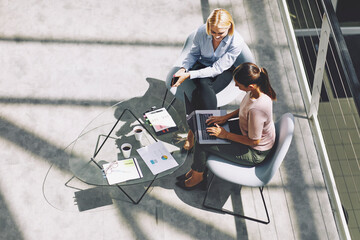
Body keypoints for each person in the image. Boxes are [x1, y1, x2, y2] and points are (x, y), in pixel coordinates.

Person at [176, 62, 277, 190]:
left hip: (254, 151)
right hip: (245, 130)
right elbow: (244, 108)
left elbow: (254, 140)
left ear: (250, 86)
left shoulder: (257, 110)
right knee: (205, 130)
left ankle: (198, 177)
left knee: (202, 141)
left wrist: (225, 135)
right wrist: (225, 117)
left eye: (238, 84)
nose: (235, 85)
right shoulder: (256, 91)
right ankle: (197, 170)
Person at [172, 8, 252, 151]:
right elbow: (193, 54)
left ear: (230, 27)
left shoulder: (236, 41)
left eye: (220, 33)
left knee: (199, 91)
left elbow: (217, 69)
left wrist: (190, 75)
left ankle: (193, 134)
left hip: (224, 70)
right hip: (202, 65)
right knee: (202, 87)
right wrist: (184, 68)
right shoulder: (202, 31)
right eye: (213, 32)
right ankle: (208, 136)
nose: (216, 37)